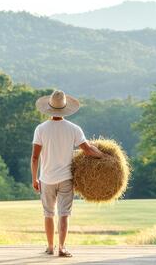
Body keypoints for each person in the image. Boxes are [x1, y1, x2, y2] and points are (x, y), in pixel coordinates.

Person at [31, 89, 105, 257]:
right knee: (64, 214)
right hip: (66, 178)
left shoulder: (40, 129)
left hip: (46, 179)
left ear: (49, 108)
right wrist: (104, 156)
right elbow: (87, 150)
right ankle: (62, 248)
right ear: (65, 109)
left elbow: (35, 157)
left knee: (48, 214)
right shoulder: (74, 129)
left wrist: (34, 178)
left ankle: (50, 247)